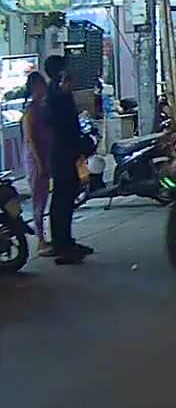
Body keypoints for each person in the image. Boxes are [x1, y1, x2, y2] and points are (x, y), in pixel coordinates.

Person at [43, 55, 93, 264]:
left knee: (65, 199)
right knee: (62, 201)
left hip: (65, 153)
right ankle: (62, 246)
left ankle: (66, 242)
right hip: (63, 154)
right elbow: (63, 128)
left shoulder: (58, 94)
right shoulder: (56, 97)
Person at [21, 72, 54, 257]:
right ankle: (40, 240)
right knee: (38, 201)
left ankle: (43, 238)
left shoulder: (41, 108)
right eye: (41, 85)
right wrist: (40, 163)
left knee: (43, 198)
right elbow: (31, 140)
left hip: (44, 156)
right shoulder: (31, 111)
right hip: (36, 159)